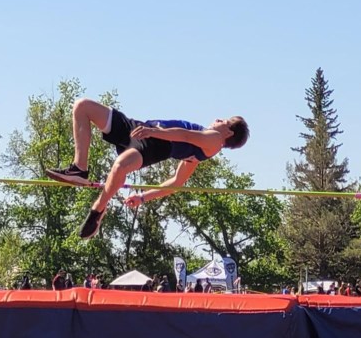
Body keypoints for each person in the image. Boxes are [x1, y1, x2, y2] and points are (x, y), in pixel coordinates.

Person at [46, 98, 249, 239]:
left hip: (152, 143)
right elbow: (176, 183)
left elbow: (185, 135)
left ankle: (98, 209)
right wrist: (143, 198)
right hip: (138, 128)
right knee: (83, 107)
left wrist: (153, 131)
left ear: (229, 132)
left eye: (222, 121)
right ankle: (79, 168)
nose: (217, 120)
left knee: (119, 168)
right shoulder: (198, 153)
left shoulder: (214, 139)